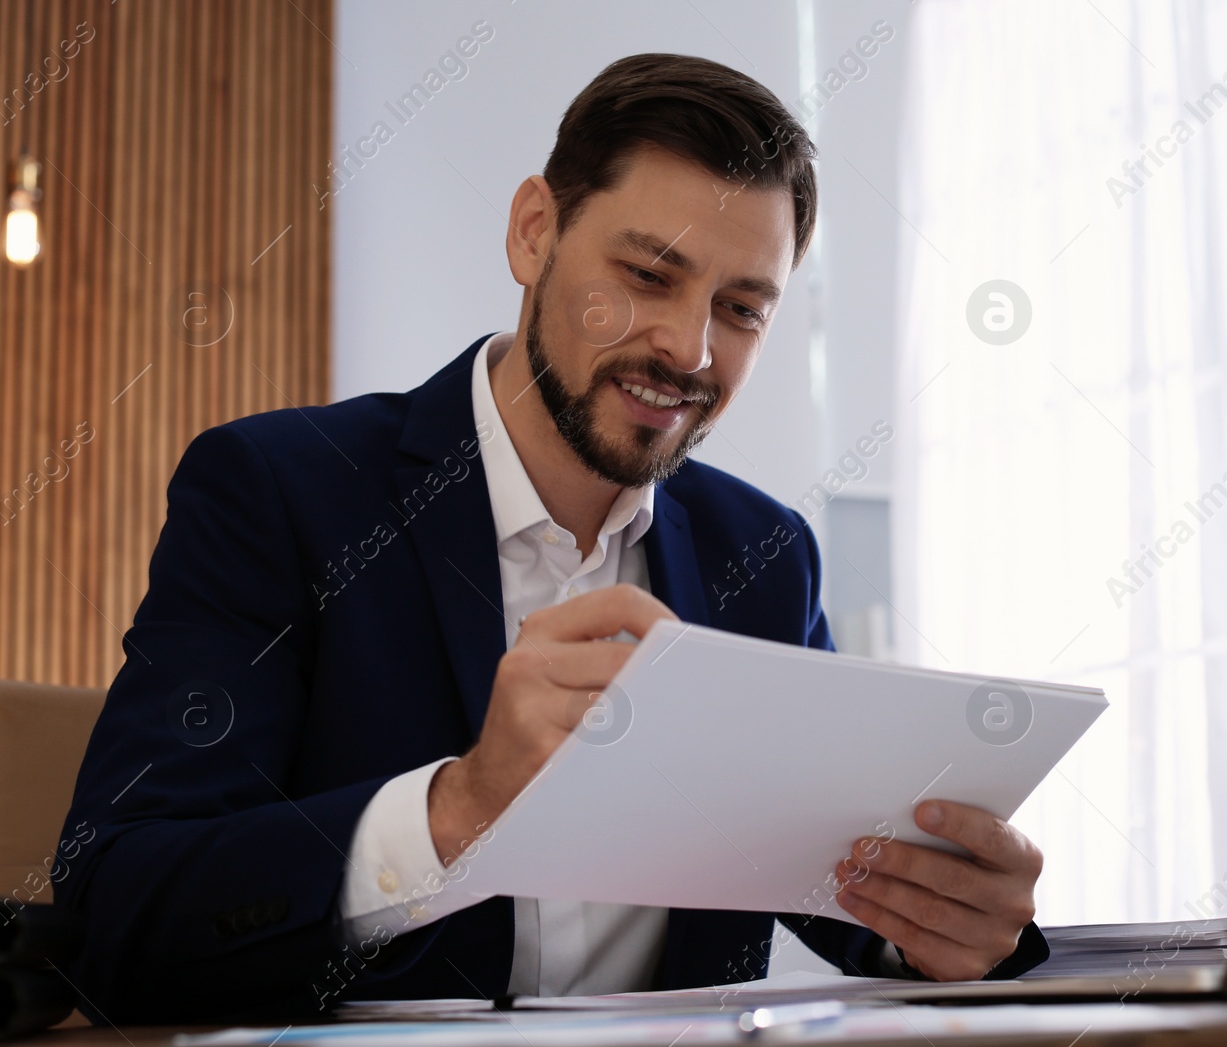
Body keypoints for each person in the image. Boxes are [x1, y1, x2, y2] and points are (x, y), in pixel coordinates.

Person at [56, 53, 1047, 1023]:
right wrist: (457, 808)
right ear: (534, 233)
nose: (690, 348)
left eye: (740, 309)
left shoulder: (765, 551)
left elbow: (828, 879)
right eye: (649, 274)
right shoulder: (281, 491)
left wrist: (952, 920)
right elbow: (114, 916)